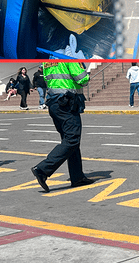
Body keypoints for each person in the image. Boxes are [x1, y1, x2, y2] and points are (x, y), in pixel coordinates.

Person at [31, 62, 94, 193]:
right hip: (66, 102)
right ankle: (42, 169)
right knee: (72, 140)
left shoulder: (48, 60)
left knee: (70, 141)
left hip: (54, 102)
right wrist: (86, 74)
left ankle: (77, 177)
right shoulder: (68, 58)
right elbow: (82, 79)